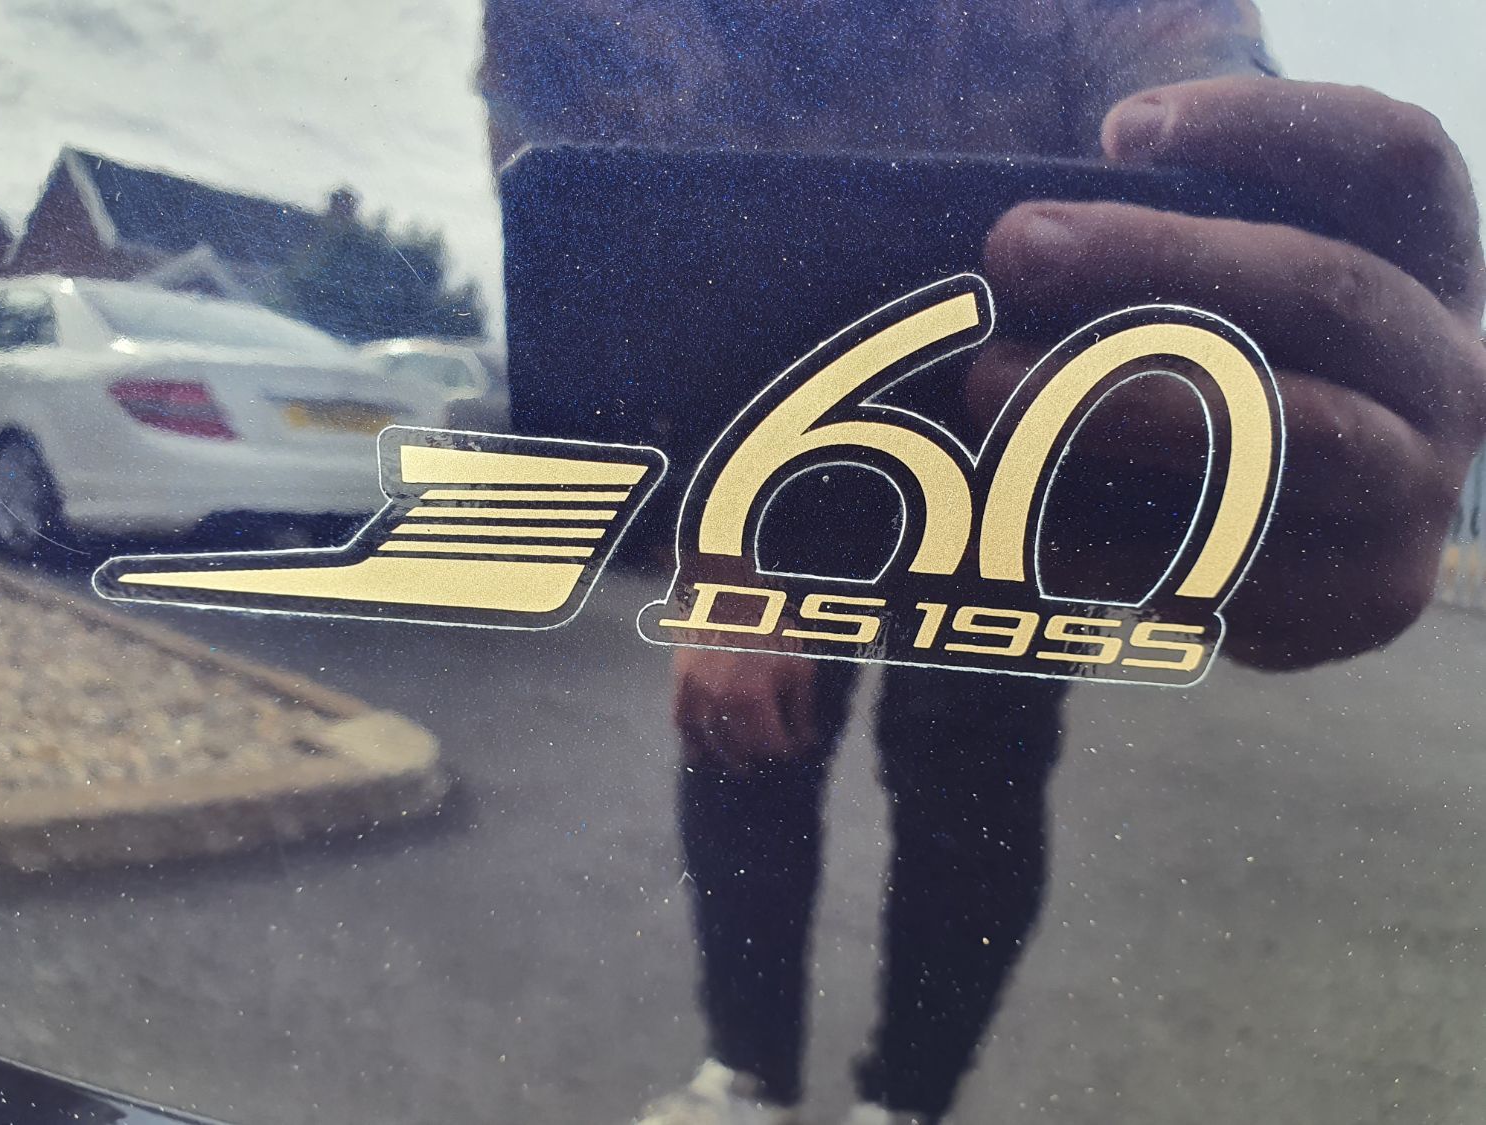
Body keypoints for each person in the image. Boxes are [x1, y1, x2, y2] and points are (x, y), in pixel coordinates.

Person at [481, 3, 1486, 1122]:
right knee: (746, 744)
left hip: (1022, 449)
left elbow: (1197, 84)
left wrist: (1298, 250)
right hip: (787, 438)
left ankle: (906, 1103)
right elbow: (605, 197)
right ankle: (748, 1079)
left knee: (971, 784)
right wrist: (717, 554)